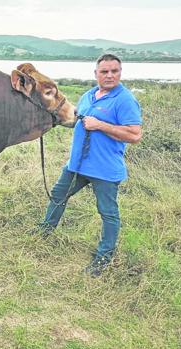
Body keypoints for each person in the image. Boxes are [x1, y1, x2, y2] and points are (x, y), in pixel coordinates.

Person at [38, 54, 143, 277]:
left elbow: (134, 135)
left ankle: (104, 257)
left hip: (104, 169)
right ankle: (45, 232)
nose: (109, 75)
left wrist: (100, 125)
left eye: (114, 71)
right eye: (104, 71)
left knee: (108, 213)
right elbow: (78, 120)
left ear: (120, 73)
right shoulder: (88, 96)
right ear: (95, 74)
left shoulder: (125, 100)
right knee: (58, 195)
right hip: (77, 165)